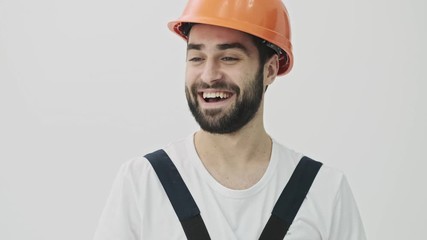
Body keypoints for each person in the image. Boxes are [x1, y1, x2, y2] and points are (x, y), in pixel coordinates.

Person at [93, 0, 367, 239]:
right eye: (197, 58)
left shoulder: (325, 191)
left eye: (229, 57)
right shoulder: (142, 183)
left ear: (269, 69)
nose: (209, 75)